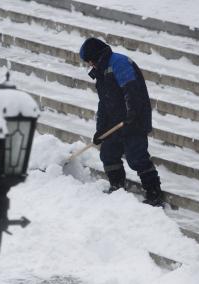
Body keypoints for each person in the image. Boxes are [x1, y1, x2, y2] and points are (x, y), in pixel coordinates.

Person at [79, 37, 163, 206]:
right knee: (108, 154)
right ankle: (117, 186)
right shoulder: (101, 71)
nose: (90, 65)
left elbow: (132, 91)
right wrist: (101, 130)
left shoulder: (119, 63)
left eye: (89, 61)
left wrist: (132, 114)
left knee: (136, 157)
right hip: (114, 122)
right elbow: (104, 103)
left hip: (134, 119)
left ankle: (154, 192)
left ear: (95, 57)